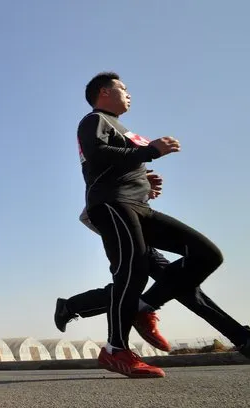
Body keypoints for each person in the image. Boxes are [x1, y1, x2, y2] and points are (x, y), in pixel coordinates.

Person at [75, 71, 232, 378]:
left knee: (207, 254)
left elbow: (121, 164)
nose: (129, 94)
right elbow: (96, 156)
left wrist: (145, 182)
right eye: (123, 89)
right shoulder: (94, 120)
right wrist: (150, 152)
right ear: (104, 93)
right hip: (111, 203)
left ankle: (145, 306)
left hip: (140, 206)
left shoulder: (123, 128)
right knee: (131, 269)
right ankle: (115, 350)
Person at [54, 206, 250, 358]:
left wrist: (143, 184)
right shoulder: (115, 159)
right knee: (165, 285)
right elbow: (102, 176)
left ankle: (73, 306)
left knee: (179, 285)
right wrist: (147, 159)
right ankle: (241, 337)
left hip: (134, 220)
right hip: (116, 218)